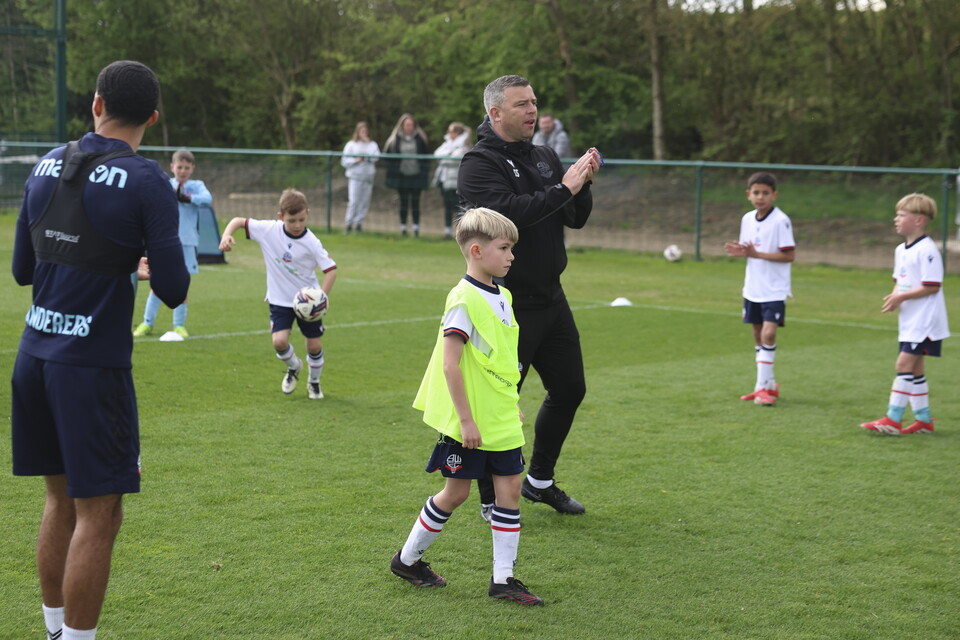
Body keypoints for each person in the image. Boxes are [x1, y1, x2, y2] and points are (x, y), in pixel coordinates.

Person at [11, 60, 190, 640]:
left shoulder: (44, 164)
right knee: (101, 514)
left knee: (59, 502)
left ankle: (54, 629)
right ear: (153, 119)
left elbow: (21, 270)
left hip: (33, 356)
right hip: (90, 369)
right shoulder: (147, 181)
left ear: (95, 104)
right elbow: (172, 287)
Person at [458, 75, 602, 518]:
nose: (532, 111)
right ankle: (488, 495)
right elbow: (509, 216)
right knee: (500, 402)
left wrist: (583, 183)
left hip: (551, 299)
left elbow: (572, 217)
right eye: (521, 104)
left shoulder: (543, 155)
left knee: (570, 388)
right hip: (504, 302)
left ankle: (539, 480)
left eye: (534, 102)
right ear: (496, 113)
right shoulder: (477, 163)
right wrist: (563, 188)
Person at [390, 207, 543, 606]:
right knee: (455, 494)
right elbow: (450, 364)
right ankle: (407, 560)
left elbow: (500, 361)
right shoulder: (462, 298)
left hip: (501, 417)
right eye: (505, 248)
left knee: (509, 489)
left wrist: (511, 404)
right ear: (476, 250)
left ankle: (503, 580)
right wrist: (466, 419)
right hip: (470, 423)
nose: (511, 256)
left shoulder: (504, 295)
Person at [218, 188, 337, 399]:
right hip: (279, 300)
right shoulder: (268, 230)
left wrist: (321, 298)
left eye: (302, 219)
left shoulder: (312, 242)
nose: (298, 225)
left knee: (314, 344)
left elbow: (331, 270)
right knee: (279, 342)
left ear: (307, 213)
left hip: (307, 304)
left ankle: (314, 382)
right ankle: (294, 367)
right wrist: (227, 235)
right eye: (292, 220)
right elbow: (238, 221)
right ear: (281, 217)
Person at [860, 193, 950, 435]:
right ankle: (924, 421)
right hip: (911, 318)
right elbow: (901, 281)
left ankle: (893, 419)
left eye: (901, 215)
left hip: (926, 319)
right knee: (916, 369)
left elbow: (932, 285)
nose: (896, 219)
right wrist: (894, 297)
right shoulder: (901, 249)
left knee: (903, 363)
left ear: (919, 220)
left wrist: (902, 297)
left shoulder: (928, 250)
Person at [724, 172, 796, 407]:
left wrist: (756, 254)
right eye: (756, 192)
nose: (760, 197)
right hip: (753, 287)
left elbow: (789, 255)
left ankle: (760, 389)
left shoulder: (781, 221)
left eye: (765, 193)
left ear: (774, 195)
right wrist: (742, 252)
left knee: (768, 334)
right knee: (757, 334)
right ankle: (769, 385)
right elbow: (749, 250)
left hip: (774, 288)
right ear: (748, 195)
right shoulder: (747, 219)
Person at [133, 148, 212, 338]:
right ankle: (147, 323)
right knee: (156, 282)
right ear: (172, 167)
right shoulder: (166, 184)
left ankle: (179, 325)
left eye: (186, 167)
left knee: (181, 285)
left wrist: (188, 198)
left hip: (187, 242)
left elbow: (208, 199)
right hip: (163, 241)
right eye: (179, 167)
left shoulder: (196, 186)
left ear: (192, 168)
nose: (182, 171)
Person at [383, 113, 431, 236]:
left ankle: (416, 228)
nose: (409, 127)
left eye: (411, 125)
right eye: (407, 125)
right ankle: (403, 228)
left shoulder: (420, 139)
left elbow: (426, 157)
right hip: (402, 176)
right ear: (402, 126)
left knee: (415, 202)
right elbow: (388, 158)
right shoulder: (394, 140)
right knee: (403, 202)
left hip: (416, 176)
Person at [433, 122, 472, 239]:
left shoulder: (464, 146)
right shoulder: (448, 144)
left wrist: (446, 157)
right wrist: (448, 155)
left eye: (451, 131)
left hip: (456, 182)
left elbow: (454, 160)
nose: (449, 134)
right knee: (447, 206)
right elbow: (437, 154)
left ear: (457, 133)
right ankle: (447, 232)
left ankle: (459, 233)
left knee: (458, 208)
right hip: (445, 181)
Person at [341, 121, 380, 233]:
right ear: (357, 132)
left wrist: (367, 153)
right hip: (355, 177)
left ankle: (359, 223)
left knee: (364, 201)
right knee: (354, 200)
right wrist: (356, 160)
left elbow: (376, 157)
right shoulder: (351, 144)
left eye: (366, 131)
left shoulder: (372, 145)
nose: (364, 133)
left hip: (368, 177)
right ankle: (348, 223)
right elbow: (344, 161)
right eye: (362, 131)